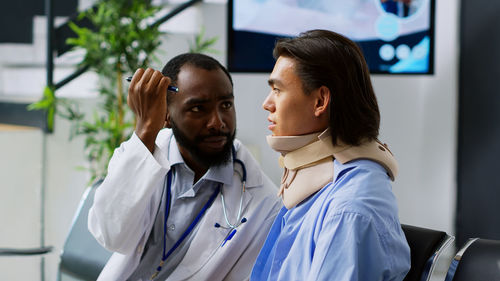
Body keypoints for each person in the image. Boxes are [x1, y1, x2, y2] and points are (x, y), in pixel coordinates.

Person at [88, 53, 281, 281]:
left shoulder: (264, 203)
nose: (218, 122)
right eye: (198, 108)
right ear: (166, 116)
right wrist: (146, 129)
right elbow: (111, 235)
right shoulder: (140, 154)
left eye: (226, 104)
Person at [250, 29, 411, 280]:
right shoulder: (321, 188)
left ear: (320, 101)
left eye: (278, 90)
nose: (267, 103)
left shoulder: (349, 209)